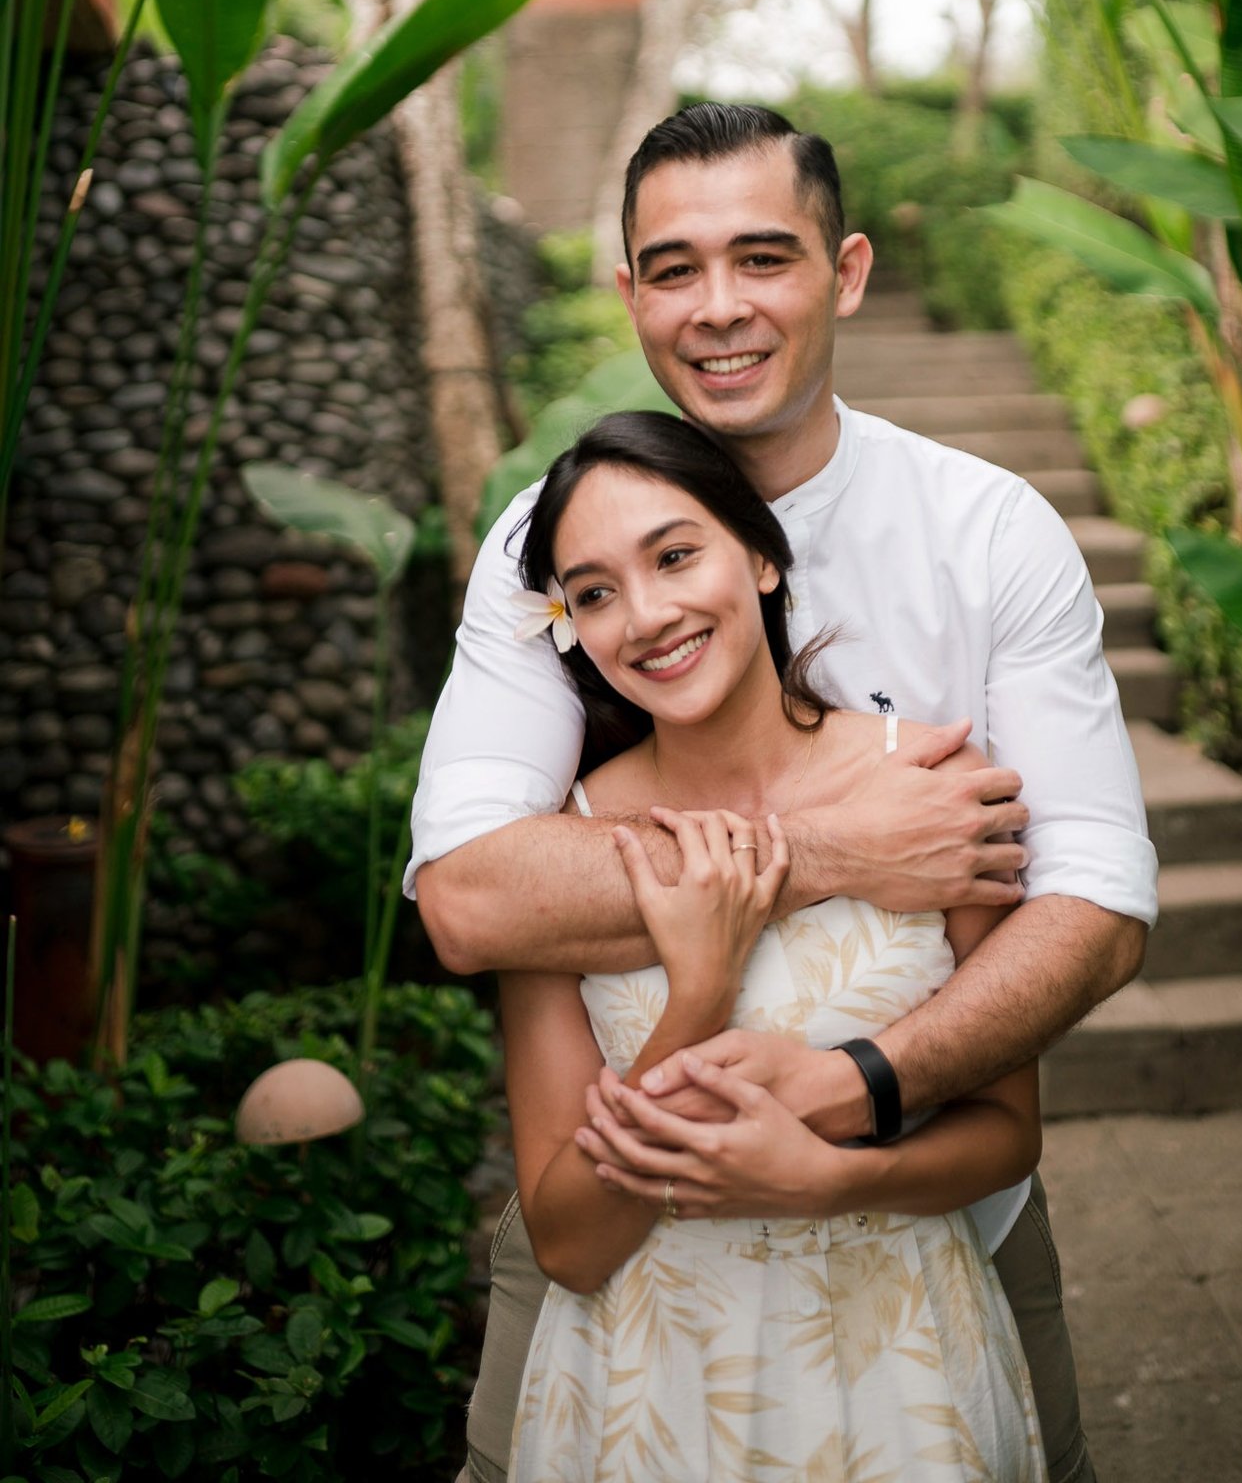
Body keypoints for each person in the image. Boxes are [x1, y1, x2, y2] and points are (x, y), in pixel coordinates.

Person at [408, 103, 1158, 1483]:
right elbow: (468, 902)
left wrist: (851, 1097)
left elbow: (1099, 908)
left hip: (932, 1237)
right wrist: (831, 849)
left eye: (765, 258)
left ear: (848, 271)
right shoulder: (541, 544)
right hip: (619, 1268)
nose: (720, 308)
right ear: (628, 292)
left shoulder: (987, 534)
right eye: (675, 269)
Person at [501, 410, 1047, 1480]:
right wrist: (696, 993)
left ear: (759, 555)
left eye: (674, 555)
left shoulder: (931, 787)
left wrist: (829, 1181)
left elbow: (1007, 1133)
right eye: (596, 591)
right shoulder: (557, 855)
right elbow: (569, 1242)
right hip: (654, 1380)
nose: (645, 615)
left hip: (898, 1357)